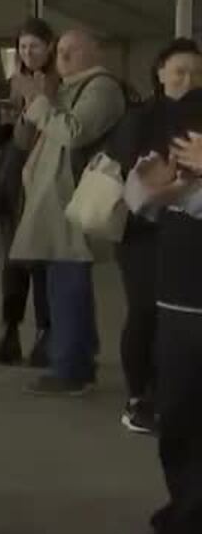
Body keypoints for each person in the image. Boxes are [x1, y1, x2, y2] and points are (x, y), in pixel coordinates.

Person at [10, 26, 129, 397]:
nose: (62, 58)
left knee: (68, 286)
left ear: (95, 51)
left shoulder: (101, 88)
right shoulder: (62, 89)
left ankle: (71, 368)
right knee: (62, 284)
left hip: (72, 201)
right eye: (60, 51)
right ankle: (76, 359)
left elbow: (75, 132)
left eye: (71, 51)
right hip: (52, 203)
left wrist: (40, 102)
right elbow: (22, 140)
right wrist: (31, 102)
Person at [109, 95, 202, 534]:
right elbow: (142, 207)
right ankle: (186, 525)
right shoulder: (177, 133)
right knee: (178, 420)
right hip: (176, 301)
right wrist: (155, 186)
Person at [110, 40, 202, 435]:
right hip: (143, 234)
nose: (188, 80)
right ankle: (139, 394)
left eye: (197, 73)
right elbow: (134, 184)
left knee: (176, 322)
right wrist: (168, 182)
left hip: (186, 235)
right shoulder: (141, 117)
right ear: (161, 73)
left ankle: (170, 395)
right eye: (180, 71)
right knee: (145, 311)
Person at [0, 19, 56, 367]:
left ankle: (46, 332)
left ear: (50, 47)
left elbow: (37, 133)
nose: (29, 53)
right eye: (24, 47)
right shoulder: (12, 82)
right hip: (12, 177)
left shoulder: (57, 84)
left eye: (35, 46)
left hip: (44, 176)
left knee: (41, 258)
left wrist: (31, 108)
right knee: (14, 259)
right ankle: (10, 330)